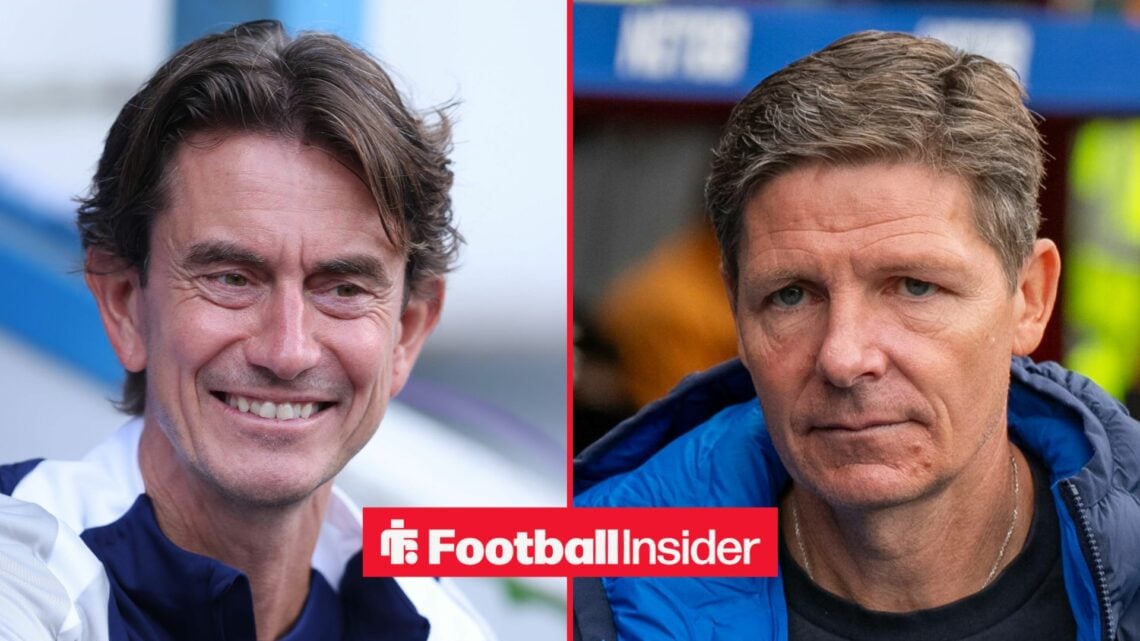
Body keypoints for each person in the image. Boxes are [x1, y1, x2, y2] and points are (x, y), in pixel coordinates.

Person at [574, 30, 1140, 641]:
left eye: (914, 287)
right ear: (736, 311)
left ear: (1030, 299)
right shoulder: (581, 592)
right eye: (790, 295)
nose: (843, 357)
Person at [0, 20, 490, 641]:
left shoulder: (436, 626)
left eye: (343, 289)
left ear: (408, 332)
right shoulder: (23, 578)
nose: (287, 351)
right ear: (126, 304)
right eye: (232, 278)